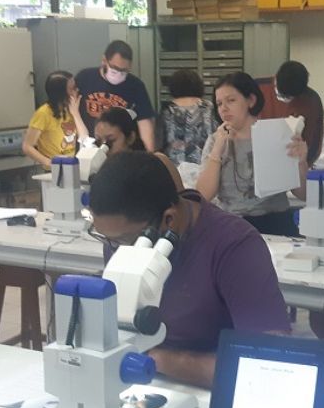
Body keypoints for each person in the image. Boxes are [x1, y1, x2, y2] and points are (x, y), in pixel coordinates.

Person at [87, 150, 291, 389]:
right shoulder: (123, 240)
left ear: (169, 220)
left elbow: (269, 362)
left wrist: (160, 360)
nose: (115, 250)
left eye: (122, 240)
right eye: (107, 240)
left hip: (215, 391)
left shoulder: (234, 245)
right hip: (138, 379)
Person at [196, 72, 308, 236]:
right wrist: (218, 149)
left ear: (251, 100)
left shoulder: (275, 134)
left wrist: (301, 162)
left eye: (231, 100)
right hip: (230, 224)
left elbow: (303, 194)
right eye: (219, 103)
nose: (224, 108)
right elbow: (203, 195)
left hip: (274, 222)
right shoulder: (216, 141)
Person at [75, 40, 156, 150]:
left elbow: (145, 124)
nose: (119, 74)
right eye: (115, 69)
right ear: (104, 60)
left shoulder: (135, 86)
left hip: (121, 150)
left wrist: (149, 156)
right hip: (88, 146)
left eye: (124, 71)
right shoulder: (85, 78)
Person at [257, 60, 324, 165]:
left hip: (292, 163)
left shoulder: (311, 101)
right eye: (280, 94)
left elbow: (313, 145)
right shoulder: (256, 89)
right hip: (256, 160)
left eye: (289, 97)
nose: (283, 99)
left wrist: (304, 164)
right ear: (275, 77)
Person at [22, 71, 87, 169]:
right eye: (72, 88)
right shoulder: (43, 113)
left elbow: (84, 138)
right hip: (53, 170)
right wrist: (49, 163)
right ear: (61, 93)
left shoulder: (70, 109)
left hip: (70, 166)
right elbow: (27, 146)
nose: (76, 90)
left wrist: (76, 114)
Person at [156, 69, 216, 166]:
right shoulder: (210, 108)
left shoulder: (167, 111)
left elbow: (159, 146)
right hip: (207, 168)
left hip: (174, 171)